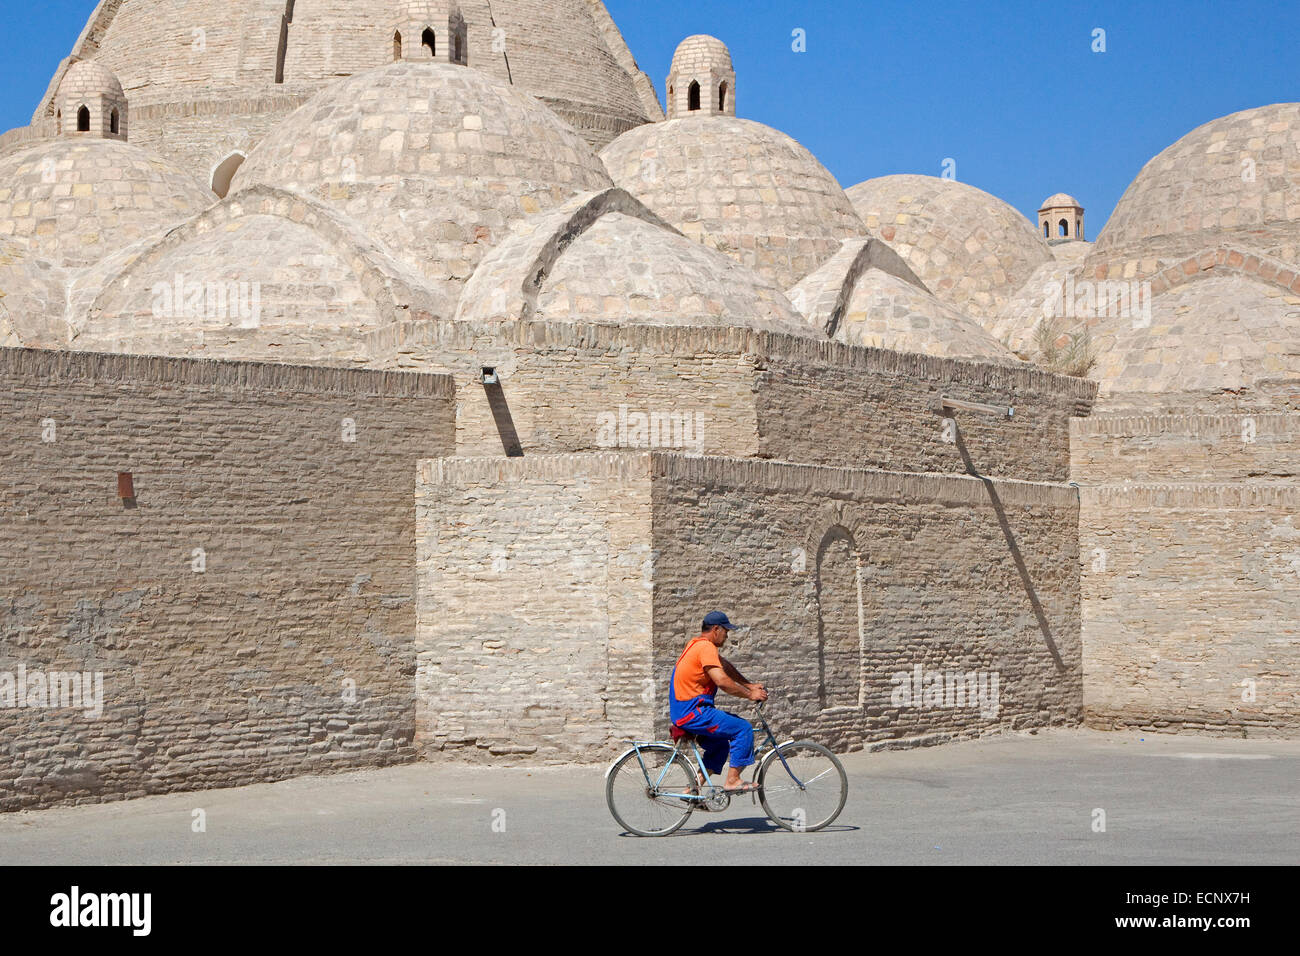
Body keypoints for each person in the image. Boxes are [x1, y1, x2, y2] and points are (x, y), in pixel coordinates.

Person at [668, 611, 768, 793]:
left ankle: (692, 788)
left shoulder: (695, 644)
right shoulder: (706, 648)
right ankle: (733, 780)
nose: (727, 636)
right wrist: (750, 694)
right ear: (716, 629)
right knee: (743, 728)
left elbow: (725, 667)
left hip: (685, 711)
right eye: (726, 631)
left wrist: (749, 684)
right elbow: (722, 681)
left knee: (720, 745)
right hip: (694, 712)